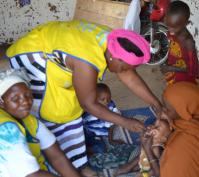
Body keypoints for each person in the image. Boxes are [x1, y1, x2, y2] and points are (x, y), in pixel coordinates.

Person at [3, 19, 162, 170]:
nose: (125, 72)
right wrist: (125, 122)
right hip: (33, 55)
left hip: (56, 44)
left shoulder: (115, 42)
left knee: (68, 106)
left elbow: (130, 77)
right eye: (124, 67)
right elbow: (88, 104)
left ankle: (72, 163)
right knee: (47, 110)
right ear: (115, 58)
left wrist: (157, 105)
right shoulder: (87, 60)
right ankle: (45, 160)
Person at [0, 69, 81, 177]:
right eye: (15, 99)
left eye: (28, 95)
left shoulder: (29, 120)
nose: (25, 102)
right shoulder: (5, 128)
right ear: (1, 102)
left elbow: (57, 158)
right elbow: (32, 175)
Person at [158, 82, 199, 177]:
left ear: (184, 111)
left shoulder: (182, 147)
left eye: (167, 109)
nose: (162, 113)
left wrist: (151, 156)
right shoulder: (195, 125)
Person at [160, 1, 199, 85]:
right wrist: (166, 64)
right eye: (168, 25)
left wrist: (171, 68)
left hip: (185, 79)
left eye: (174, 27)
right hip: (173, 72)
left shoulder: (188, 42)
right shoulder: (172, 31)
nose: (170, 31)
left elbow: (193, 70)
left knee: (181, 96)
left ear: (187, 24)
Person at [83, 83, 121, 155]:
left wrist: (111, 140)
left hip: (98, 137)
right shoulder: (89, 109)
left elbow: (111, 125)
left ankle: (84, 151)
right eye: (102, 99)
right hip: (88, 133)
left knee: (101, 149)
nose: (106, 102)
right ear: (94, 99)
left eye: (109, 99)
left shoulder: (111, 107)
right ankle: (81, 151)